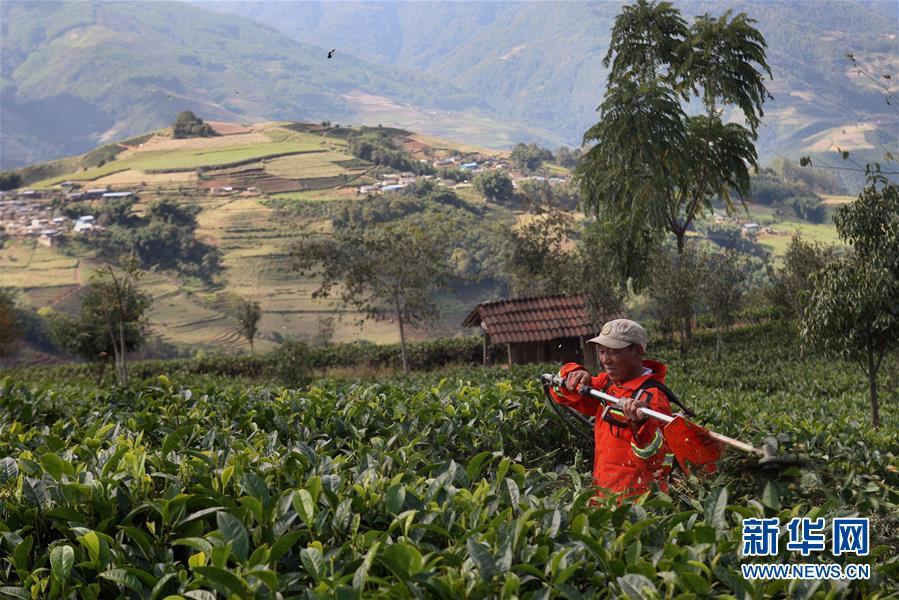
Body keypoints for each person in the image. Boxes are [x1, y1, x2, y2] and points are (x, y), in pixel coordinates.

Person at [547, 318, 675, 498]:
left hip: (636, 500)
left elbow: (658, 461)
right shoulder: (606, 385)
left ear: (637, 352)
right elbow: (559, 394)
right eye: (602, 351)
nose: (605, 360)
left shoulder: (653, 398)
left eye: (614, 352)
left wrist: (641, 424)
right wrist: (574, 374)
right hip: (603, 493)